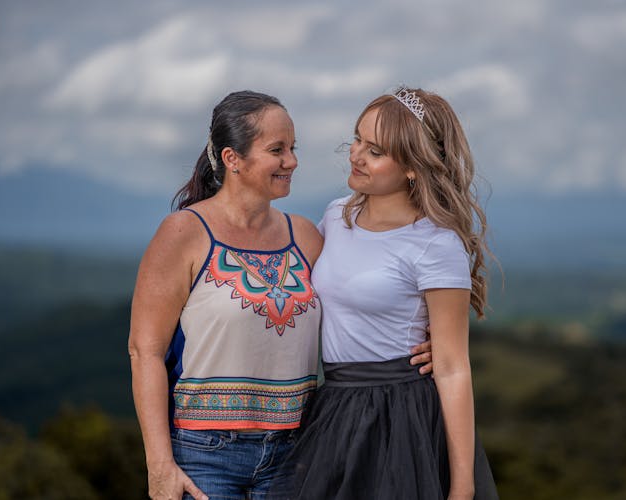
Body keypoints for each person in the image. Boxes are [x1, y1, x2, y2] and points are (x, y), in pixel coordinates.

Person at [128, 90, 434, 500]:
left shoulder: (306, 236)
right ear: (232, 159)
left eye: (293, 148)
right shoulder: (184, 233)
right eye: (277, 150)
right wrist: (159, 465)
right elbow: (144, 351)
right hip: (205, 457)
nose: (292, 161)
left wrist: (422, 339)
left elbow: (361, 293)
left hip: (298, 454)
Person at [274, 87, 499, 499]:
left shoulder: (435, 243)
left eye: (375, 151)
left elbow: (452, 368)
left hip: (400, 417)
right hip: (333, 406)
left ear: (414, 167)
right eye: (357, 139)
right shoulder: (336, 215)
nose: (356, 155)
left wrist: (463, 486)